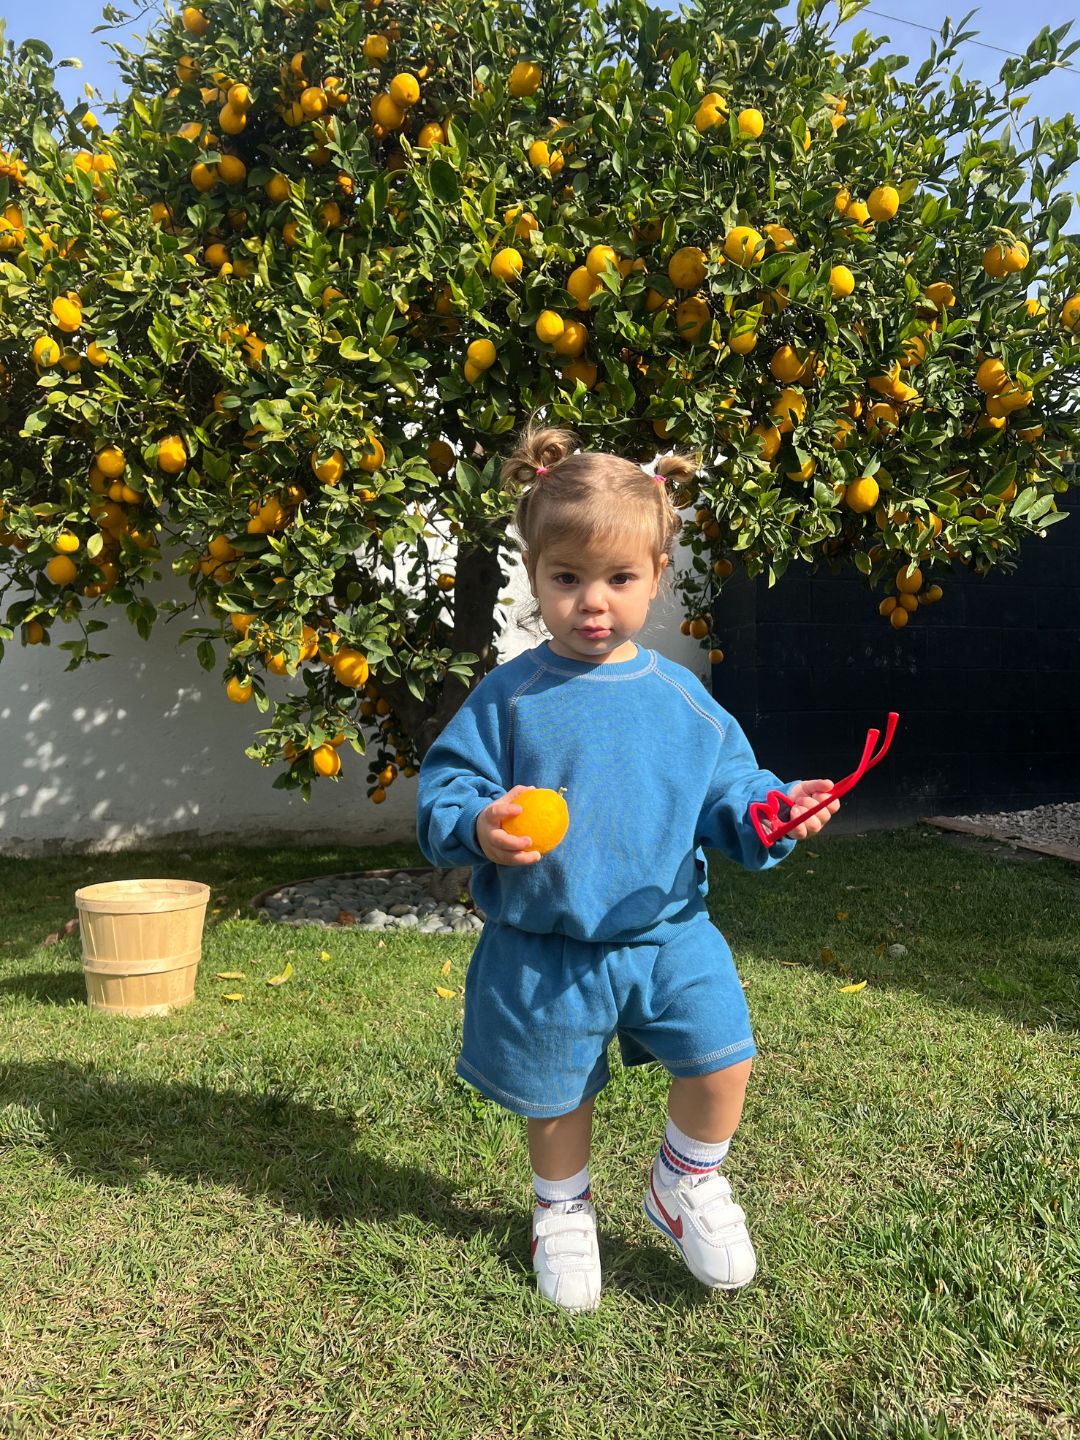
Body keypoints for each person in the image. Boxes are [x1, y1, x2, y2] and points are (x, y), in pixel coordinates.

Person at [416, 422, 839, 1313]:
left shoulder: (685, 698)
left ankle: (686, 1180)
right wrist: (477, 826)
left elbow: (733, 793)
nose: (592, 602)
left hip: (666, 930)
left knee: (723, 1054)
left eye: (619, 578)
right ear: (534, 578)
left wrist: (774, 812)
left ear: (658, 575)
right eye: (566, 579)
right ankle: (561, 1209)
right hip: (548, 942)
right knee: (557, 1090)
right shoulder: (509, 697)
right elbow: (446, 789)